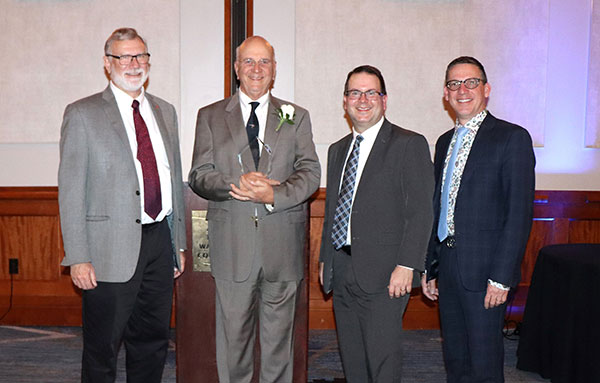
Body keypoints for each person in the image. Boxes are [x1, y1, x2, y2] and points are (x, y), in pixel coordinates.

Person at [188, 35, 320, 382]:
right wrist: (236, 186)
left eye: (264, 62)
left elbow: (310, 174)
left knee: (279, 346)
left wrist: (272, 195)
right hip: (233, 246)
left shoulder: (295, 116)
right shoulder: (211, 116)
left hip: (282, 247)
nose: (256, 69)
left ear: (274, 70)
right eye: (248, 61)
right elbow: (199, 175)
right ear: (236, 68)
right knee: (233, 345)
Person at [58, 27, 186, 383]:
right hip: (106, 250)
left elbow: (172, 180)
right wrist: (78, 256)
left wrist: (178, 245)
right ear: (107, 63)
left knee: (153, 342)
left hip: (159, 243)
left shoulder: (165, 111)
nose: (133, 64)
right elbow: (70, 190)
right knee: (102, 349)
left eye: (140, 56)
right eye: (124, 57)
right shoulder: (82, 114)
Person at [421, 56, 535, 382]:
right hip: (449, 265)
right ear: (446, 93)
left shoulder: (511, 138)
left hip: (486, 273)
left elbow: (518, 213)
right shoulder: (444, 142)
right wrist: (431, 266)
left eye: (471, 82)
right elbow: (438, 206)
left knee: (485, 363)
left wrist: (502, 277)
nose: (462, 90)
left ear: (486, 89)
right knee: (455, 358)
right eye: (454, 84)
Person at [319, 65, 434, 382]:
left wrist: (408, 264)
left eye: (371, 92)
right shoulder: (337, 150)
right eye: (355, 92)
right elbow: (332, 211)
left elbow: (421, 211)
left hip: (386, 275)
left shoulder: (408, 144)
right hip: (342, 270)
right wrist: (325, 261)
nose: (363, 99)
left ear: (384, 100)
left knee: (383, 363)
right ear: (345, 101)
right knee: (353, 360)